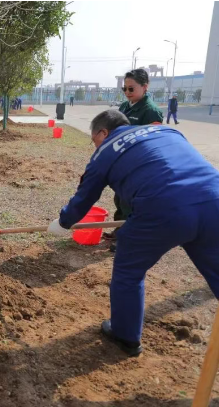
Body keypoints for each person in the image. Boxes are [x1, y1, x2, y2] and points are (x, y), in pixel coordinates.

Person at [47, 109, 219, 356]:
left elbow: (85, 197)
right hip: (214, 200)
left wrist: (63, 222)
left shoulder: (105, 152)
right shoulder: (165, 130)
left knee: (129, 271)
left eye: (94, 140)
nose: (95, 146)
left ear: (103, 133)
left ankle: (125, 334)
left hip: (163, 208)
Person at [105, 69, 164, 251]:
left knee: (130, 203)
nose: (127, 92)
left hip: (138, 165)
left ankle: (128, 238)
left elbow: (154, 143)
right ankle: (119, 230)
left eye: (131, 88)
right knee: (119, 199)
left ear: (145, 87)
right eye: (125, 88)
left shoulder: (151, 112)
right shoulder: (125, 107)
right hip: (122, 162)